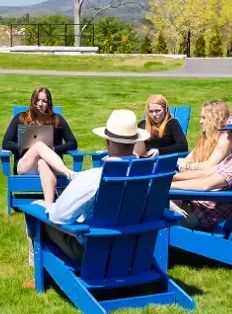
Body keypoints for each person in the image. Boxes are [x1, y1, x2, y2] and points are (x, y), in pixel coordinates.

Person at [30, 109, 149, 269]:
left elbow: (59, 217)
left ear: (107, 141)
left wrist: (47, 206)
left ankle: (37, 274)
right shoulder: (146, 177)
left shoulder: (92, 179)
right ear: (135, 142)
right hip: (134, 249)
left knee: (35, 210)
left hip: (93, 251)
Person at [169, 112, 232, 230]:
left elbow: (206, 184)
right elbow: (206, 173)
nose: (228, 138)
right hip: (193, 205)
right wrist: (171, 177)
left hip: (197, 216)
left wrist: (168, 185)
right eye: (228, 133)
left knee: (147, 205)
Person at [0, 86, 79, 204]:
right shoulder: (21, 118)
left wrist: (53, 149)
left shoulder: (57, 119)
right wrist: (27, 146)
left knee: (42, 162)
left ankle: (49, 207)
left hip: (50, 165)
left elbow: (73, 143)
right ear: (32, 100)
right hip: (26, 166)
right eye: (37, 100)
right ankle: (68, 173)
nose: (40, 104)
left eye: (44, 101)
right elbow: (6, 143)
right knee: (38, 145)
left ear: (49, 103)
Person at [176, 99, 232, 173]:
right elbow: (189, 158)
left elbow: (209, 165)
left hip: (210, 180)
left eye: (204, 118)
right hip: (197, 176)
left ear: (216, 119)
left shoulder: (224, 138)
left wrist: (188, 165)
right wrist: (184, 164)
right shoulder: (206, 136)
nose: (200, 121)